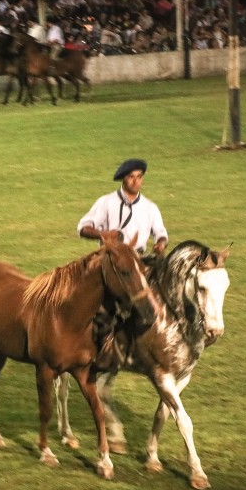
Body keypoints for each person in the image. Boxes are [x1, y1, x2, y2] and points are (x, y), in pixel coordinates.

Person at [77, 158, 168, 371]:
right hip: (113, 263)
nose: (136, 181)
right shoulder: (106, 202)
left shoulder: (150, 207)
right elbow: (82, 228)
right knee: (105, 306)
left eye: (139, 177)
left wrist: (161, 244)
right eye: (131, 177)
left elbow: (161, 233)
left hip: (139, 260)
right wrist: (103, 234)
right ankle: (103, 350)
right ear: (123, 179)